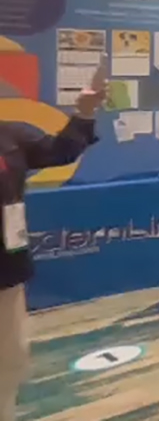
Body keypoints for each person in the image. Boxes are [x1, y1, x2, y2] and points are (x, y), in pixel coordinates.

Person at [2, 64, 106, 421]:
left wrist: (85, 111)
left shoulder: (9, 135)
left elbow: (60, 151)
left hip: (6, 271)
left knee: (9, 358)